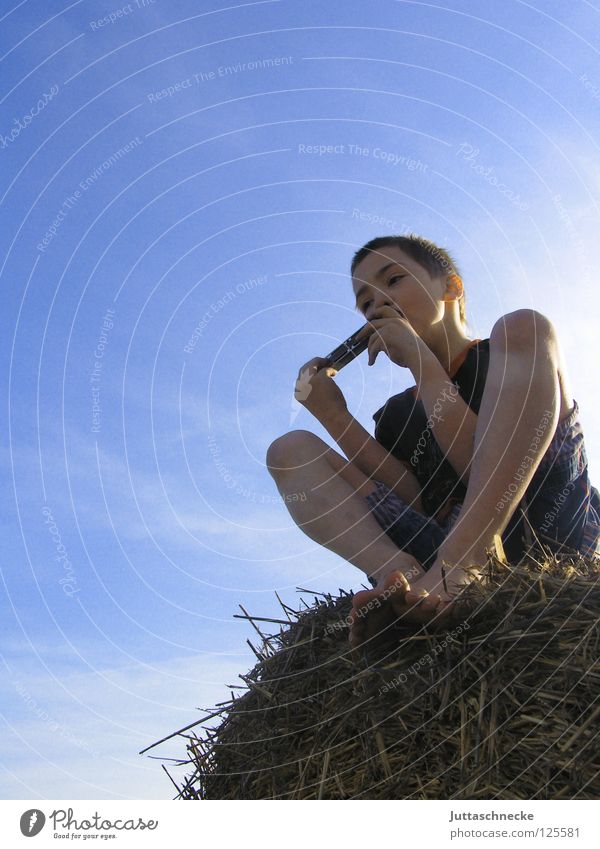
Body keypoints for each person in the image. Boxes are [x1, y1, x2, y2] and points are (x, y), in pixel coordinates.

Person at [266, 234, 600, 649]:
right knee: (288, 451)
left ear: (451, 288)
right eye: (365, 302)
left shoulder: (507, 354)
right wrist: (334, 417)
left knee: (525, 323)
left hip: (545, 525)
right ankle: (399, 579)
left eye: (393, 280)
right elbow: (420, 499)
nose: (378, 305)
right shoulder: (395, 414)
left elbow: (482, 470)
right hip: (441, 552)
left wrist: (422, 360)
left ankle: (465, 560)